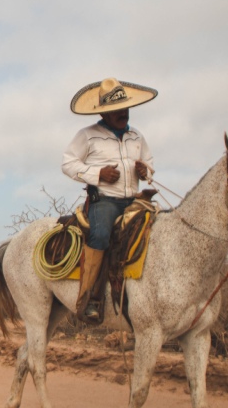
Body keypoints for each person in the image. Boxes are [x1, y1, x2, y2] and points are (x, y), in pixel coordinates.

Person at [61, 76, 158, 323]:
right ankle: (91, 299)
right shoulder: (88, 135)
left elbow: (149, 161)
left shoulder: (137, 136)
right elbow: (68, 164)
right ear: (104, 113)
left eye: (125, 109)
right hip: (105, 201)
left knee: (161, 229)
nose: (122, 113)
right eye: (116, 110)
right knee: (101, 234)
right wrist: (98, 174)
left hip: (135, 199)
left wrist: (145, 171)